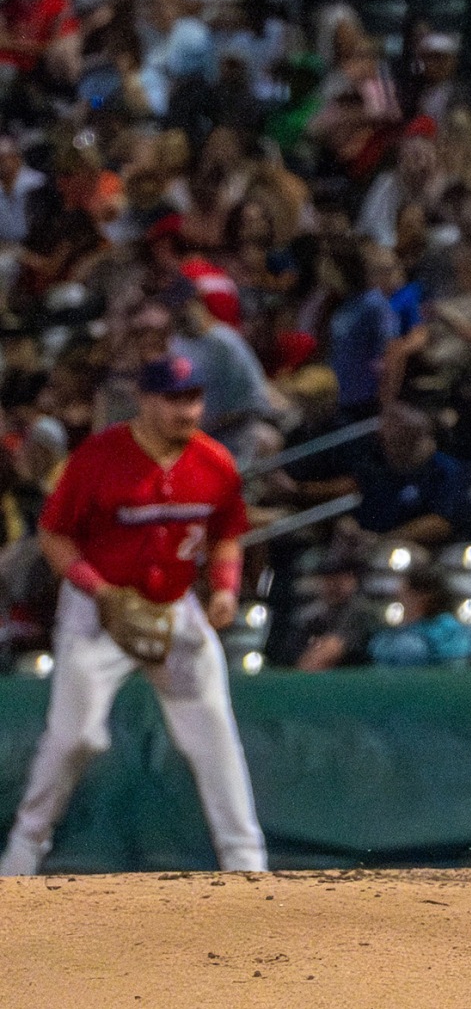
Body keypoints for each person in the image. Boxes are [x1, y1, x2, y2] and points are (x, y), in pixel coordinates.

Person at [2, 357, 262, 874]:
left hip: (174, 606)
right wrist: (99, 590)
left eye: (194, 398)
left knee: (214, 734)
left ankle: (247, 863)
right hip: (98, 608)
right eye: (174, 399)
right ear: (144, 399)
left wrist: (225, 590)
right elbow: (54, 535)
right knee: (74, 737)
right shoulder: (100, 458)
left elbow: (226, 536)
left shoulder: (214, 462)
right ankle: (22, 856)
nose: (187, 410)